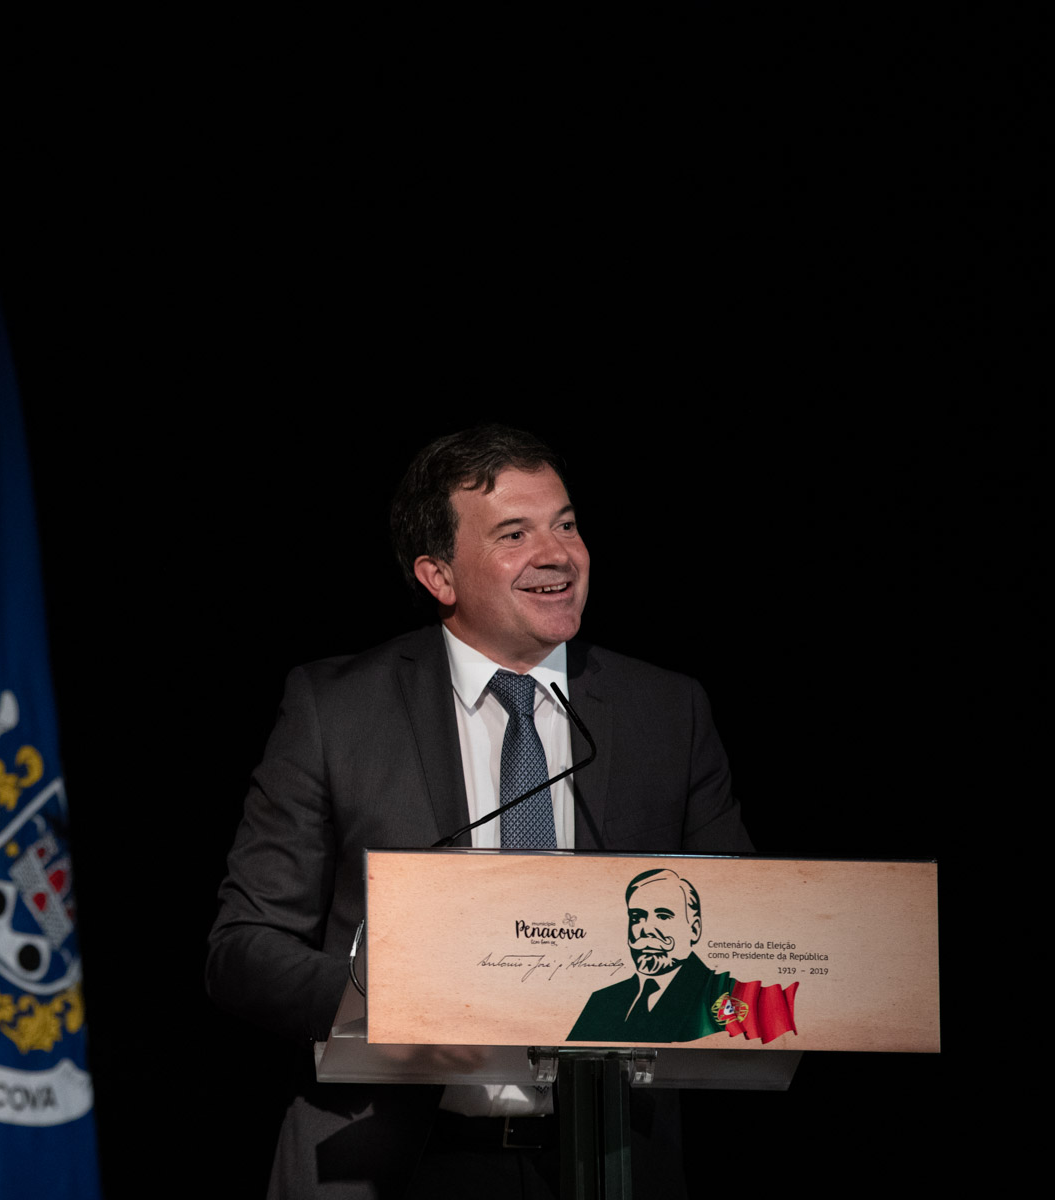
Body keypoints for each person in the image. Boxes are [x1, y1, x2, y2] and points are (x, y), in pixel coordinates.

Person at [206, 425, 753, 1199]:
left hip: (608, 1160)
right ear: (439, 575)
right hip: (393, 1162)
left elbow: (742, 930)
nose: (558, 554)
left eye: (566, 524)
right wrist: (383, 998)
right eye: (514, 534)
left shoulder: (667, 711)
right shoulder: (337, 710)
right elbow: (243, 949)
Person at [567, 869, 737, 1043]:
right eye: (637, 918)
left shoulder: (722, 992)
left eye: (663, 916)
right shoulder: (602, 1000)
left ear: (694, 929)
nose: (646, 929)